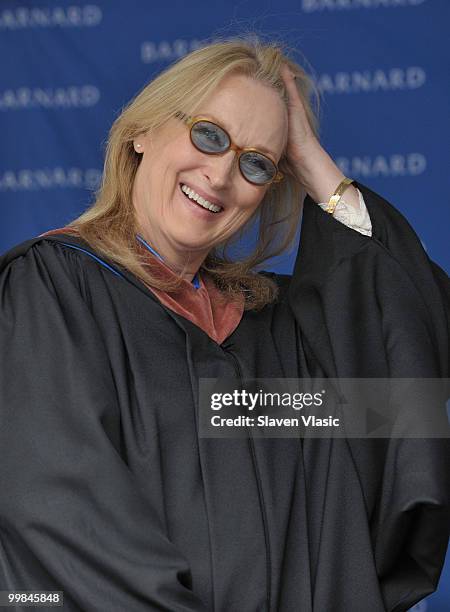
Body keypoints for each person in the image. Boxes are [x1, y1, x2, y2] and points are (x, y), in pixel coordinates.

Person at [0, 36, 448, 612]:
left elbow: (407, 395)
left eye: (256, 164)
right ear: (142, 131)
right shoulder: (55, 295)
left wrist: (314, 165)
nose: (219, 175)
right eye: (208, 135)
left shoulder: (275, 335)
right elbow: (60, 520)